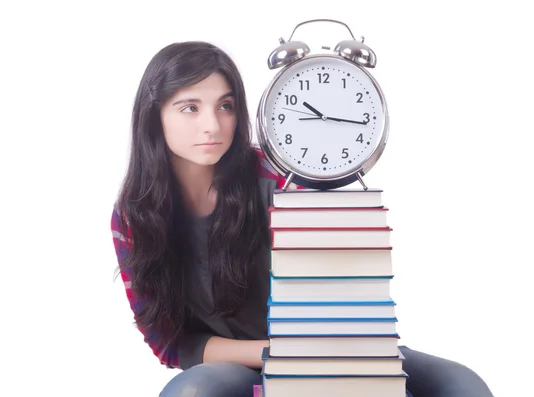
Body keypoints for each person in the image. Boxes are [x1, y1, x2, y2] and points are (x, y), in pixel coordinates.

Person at [110, 40, 494, 397]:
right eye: (190, 108)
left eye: (225, 106)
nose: (212, 125)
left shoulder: (277, 180)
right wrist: (274, 353)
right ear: (154, 114)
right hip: (238, 362)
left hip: (333, 348)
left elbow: (337, 291)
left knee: (463, 384)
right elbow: (170, 343)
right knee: (191, 392)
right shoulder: (135, 217)